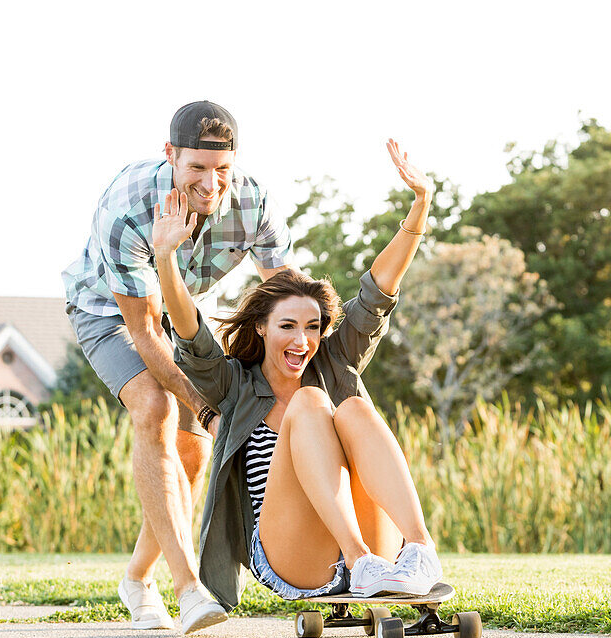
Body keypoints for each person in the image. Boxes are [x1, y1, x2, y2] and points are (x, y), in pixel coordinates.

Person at [158, 140, 440, 611]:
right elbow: (190, 333)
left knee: (351, 407)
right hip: (292, 556)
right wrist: (166, 257)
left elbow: (379, 289)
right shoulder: (234, 383)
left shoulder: (334, 361)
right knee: (312, 404)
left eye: (312, 327)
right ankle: (360, 563)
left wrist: (421, 203)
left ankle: (420, 551)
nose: (302, 341)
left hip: (375, 544)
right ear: (262, 328)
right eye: (288, 326)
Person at [60, 101, 292, 634]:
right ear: (170, 156)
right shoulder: (128, 209)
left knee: (192, 455)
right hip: (109, 311)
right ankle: (189, 589)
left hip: (189, 310)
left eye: (222, 170)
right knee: (155, 407)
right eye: (196, 169)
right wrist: (208, 407)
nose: (211, 184)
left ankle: (137, 579)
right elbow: (143, 331)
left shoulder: (254, 202)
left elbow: (285, 293)